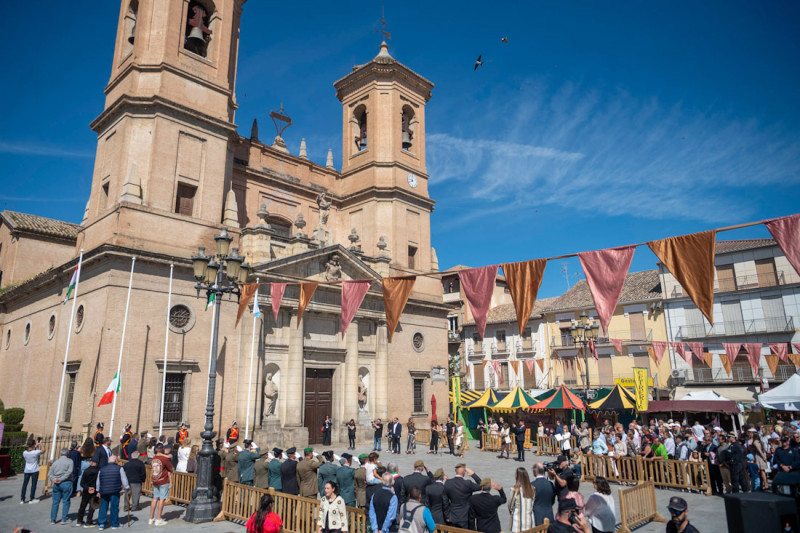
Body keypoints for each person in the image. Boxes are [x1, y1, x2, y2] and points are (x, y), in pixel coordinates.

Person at [96, 455, 130, 530]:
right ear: (115, 461)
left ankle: (101, 523)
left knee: (103, 507)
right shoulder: (119, 468)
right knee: (114, 507)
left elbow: (98, 481)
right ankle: (114, 524)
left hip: (103, 490)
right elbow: (124, 479)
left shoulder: (102, 469)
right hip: (114, 490)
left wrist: (98, 490)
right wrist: (127, 488)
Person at [443, 463, 481, 528]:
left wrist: (447, 516)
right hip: (465, 516)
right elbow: (482, 485)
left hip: (453, 515)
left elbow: (445, 502)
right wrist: (473, 474)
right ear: (464, 472)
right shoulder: (467, 483)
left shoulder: (448, 483)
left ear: (456, 471)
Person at [149, 443, 173, 526]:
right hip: (163, 479)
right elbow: (171, 468)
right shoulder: (164, 458)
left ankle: (151, 518)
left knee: (155, 498)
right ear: (162, 449)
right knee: (162, 499)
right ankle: (158, 518)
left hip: (155, 479)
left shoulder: (153, 458)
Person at [49, 448, 75, 525]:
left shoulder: (56, 462)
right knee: (66, 501)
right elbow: (69, 472)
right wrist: (60, 479)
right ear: (67, 453)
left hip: (56, 484)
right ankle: (64, 518)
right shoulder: (70, 461)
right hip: (66, 482)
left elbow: (50, 473)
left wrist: (55, 479)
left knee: (55, 502)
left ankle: (53, 519)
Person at [508, 467, 535, 532]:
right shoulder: (532, 489)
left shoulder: (514, 490)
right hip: (529, 522)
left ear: (517, 476)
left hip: (518, 523)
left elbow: (510, 506)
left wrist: (513, 513)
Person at [76, 458, 99, 527]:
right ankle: (89, 521)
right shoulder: (98, 471)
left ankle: (79, 520)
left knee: (83, 505)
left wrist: (88, 488)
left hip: (86, 490)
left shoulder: (86, 471)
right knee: (92, 506)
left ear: (91, 462)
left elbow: (82, 483)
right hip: (95, 490)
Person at [21, 439, 43, 504]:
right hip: (34, 470)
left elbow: (30, 451)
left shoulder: (24, 452)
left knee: (25, 484)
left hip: (27, 470)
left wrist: (34, 446)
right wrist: (41, 444)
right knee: (33, 484)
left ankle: (22, 499)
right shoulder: (35, 452)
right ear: (33, 445)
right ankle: (32, 498)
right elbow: (43, 450)